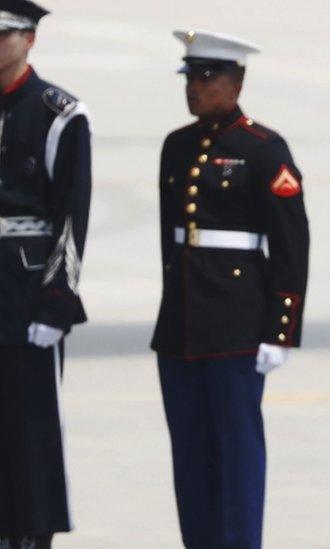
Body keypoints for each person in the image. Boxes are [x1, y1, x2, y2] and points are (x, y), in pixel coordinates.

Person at [151, 29, 309, 549]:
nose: (195, 87)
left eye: (207, 76)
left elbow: (290, 243)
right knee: (190, 455)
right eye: (191, 77)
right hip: (181, 327)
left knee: (237, 453)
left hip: (239, 324)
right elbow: (169, 242)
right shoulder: (176, 147)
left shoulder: (263, 148)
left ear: (237, 81)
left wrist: (281, 329)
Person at [0, 1, 92, 547]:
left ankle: (32, 534)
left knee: (31, 427)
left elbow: (71, 216)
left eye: (5, 35)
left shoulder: (58, 113)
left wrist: (58, 299)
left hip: (27, 289)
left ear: (29, 40)